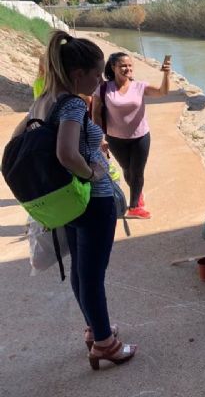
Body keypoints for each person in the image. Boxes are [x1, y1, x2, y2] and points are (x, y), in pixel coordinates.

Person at [12, 31, 136, 370]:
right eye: (97, 74)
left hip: (68, 203)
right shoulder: (70, 103)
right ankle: (105, 344)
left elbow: (16, 140)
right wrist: (93, 170)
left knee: (83, 271)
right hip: (92, 200)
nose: (100, 80)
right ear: (79, 74)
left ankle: (95, 330)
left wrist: (79, 152)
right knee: (93, 274)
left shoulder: (43, 100)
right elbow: (67, 153)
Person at [92, 52, 171, 219]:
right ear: (113, 67)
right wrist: (100, 137)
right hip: (115, 139)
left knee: (137, 171)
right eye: (123, 66)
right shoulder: (104, 89)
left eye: (129, 65)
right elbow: (96, 115)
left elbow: (163, 92)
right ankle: (138, 192)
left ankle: (134, 206)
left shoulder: (139, 86)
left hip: (140, 137)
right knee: (127, 169)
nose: (127, 69)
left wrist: (166, 74)